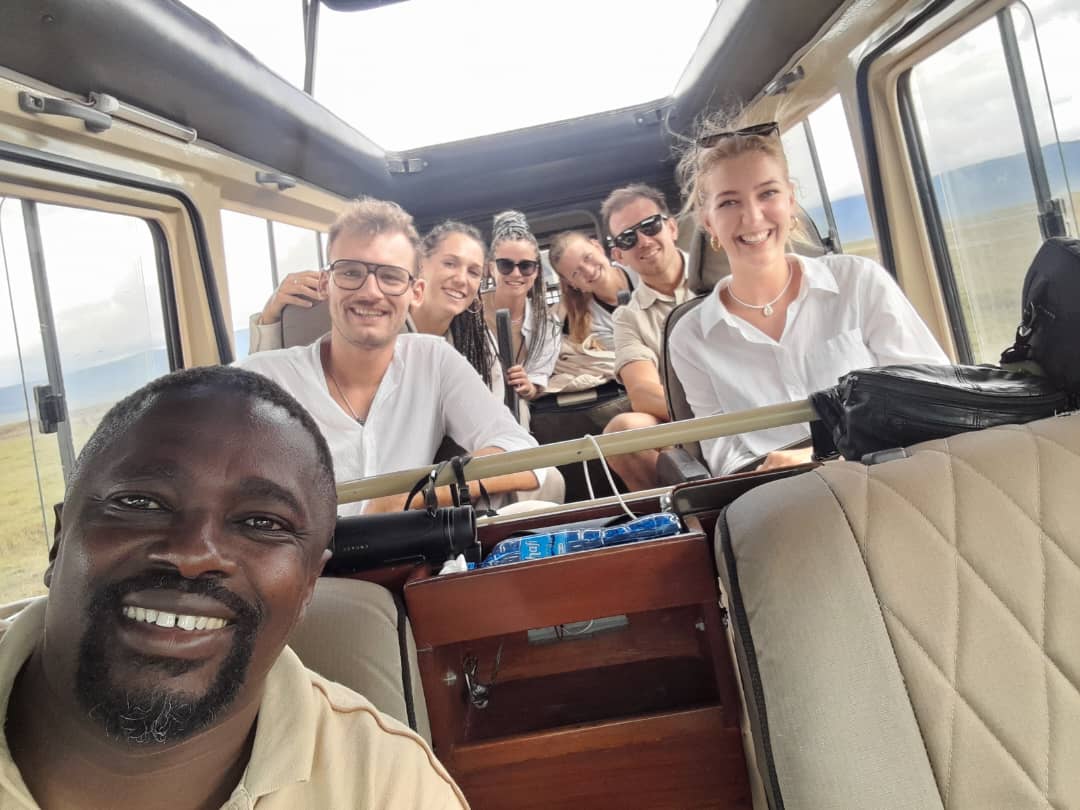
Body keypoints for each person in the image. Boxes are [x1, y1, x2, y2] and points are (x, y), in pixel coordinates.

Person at [0, 366, 467, 809]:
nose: (193, 555)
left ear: (309, 583)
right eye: (139, 502)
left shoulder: (391, 790)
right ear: (60, 539)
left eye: (262, 522)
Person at [669, 118, 947, 476]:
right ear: (708, 223)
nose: (752, 217)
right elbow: (722, 451)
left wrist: (826, 459)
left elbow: (931, 399)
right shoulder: (690, 337)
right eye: (729, 202)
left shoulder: (858, 281)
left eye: (767, 194)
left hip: (887, 475)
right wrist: (764, 474)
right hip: (778, 491)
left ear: (790, 201)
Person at [239, 197, 545, 515]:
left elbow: (523, 454)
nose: (370, 292)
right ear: (327, 283)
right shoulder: (263, 379)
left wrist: (411, 496)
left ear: (415, 292)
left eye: (391, 277)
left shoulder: (435, 360)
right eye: (351, 272)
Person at [601, 184, 694, 491]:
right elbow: (642, 392)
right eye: (628, 238)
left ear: (672, 227)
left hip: (755, 401)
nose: (643, 241)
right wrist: (710, 416)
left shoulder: (728, 273)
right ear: (619, 255)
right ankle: (681, 510)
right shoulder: (627, 318)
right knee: (621, 434)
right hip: (688, 420)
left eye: (650, 226)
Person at [482, 211, 561, 402]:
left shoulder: (547, 324)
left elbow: (537, 382)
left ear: (536, 271)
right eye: (505, 265)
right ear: (491, 268)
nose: (516, 274)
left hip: (515, 407)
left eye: (526, 266)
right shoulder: (468, 310)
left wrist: (528, 387)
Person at [548, 230, 638, 351]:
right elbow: (632, 353)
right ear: (572, 283)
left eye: (587, 258)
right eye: (576, 273)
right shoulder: (592, 323)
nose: (589, 271)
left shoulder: (641, 271)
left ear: (598, 247)